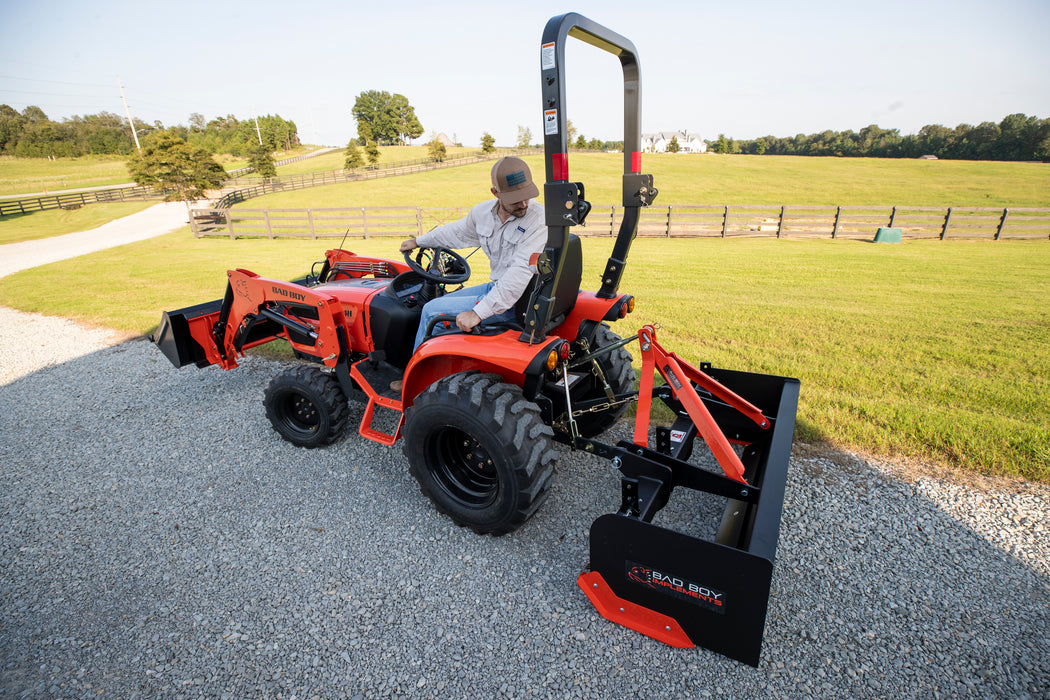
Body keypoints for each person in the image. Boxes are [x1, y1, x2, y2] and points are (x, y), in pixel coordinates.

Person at [400, 156, 547, 353]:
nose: (523, 204)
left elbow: (520, 272)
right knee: (437, 304)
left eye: (527, 196)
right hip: (496, 288)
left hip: (517, 302)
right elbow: (455, 232)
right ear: (495, 193)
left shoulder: (538, 220)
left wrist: (478, 313)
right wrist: (418, 241)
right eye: (515, 200)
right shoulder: (483, 213)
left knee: (430, 311)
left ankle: (415, 378)